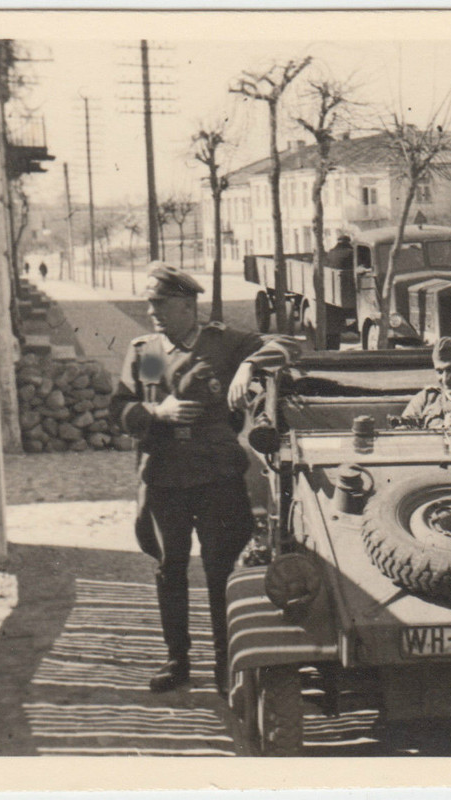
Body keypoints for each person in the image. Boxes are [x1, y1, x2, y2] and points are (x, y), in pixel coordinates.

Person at [112, 262, 287, 697]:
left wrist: (250, 366)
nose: (152, 311)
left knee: (220, 570)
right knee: (169, 568)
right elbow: (122, 408)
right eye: (149, 303)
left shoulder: (224, 343)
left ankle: (228, 662)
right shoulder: (149, 350)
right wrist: (157, 413)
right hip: (164, 478)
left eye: (161, 303)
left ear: (188, 304)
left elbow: (286, 345)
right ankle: (178, 660)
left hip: (217, 478)